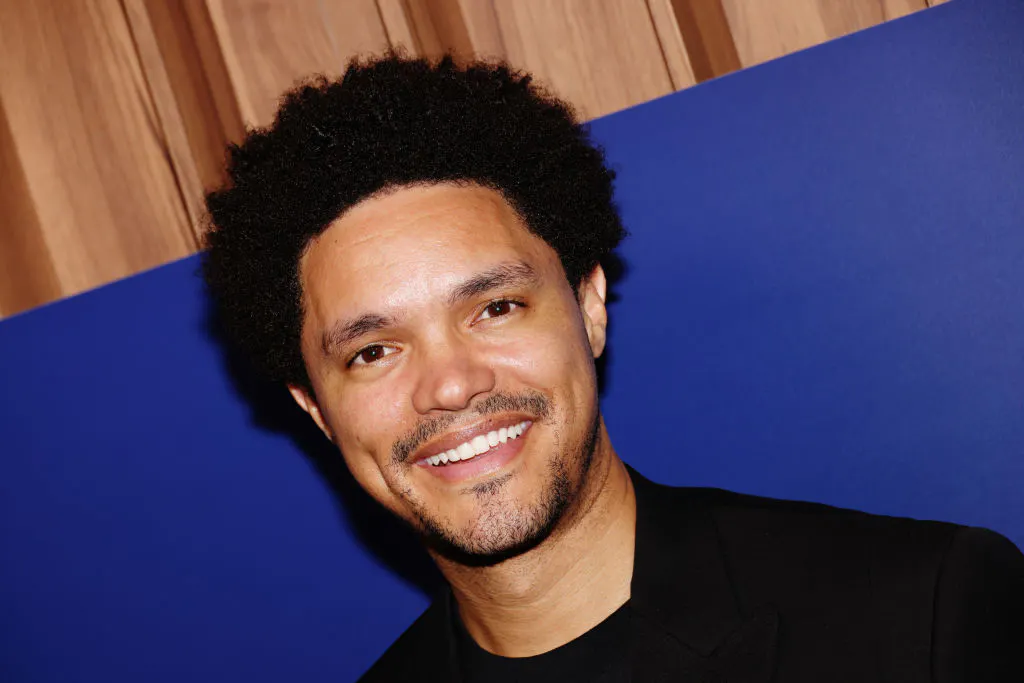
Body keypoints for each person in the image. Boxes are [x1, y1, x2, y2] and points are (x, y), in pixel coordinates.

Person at [202, 54, 1024, 682]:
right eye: (373, 351)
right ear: (316, 408)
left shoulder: (921, 616)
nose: (451, 384)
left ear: (590, 305)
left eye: (495, 307)